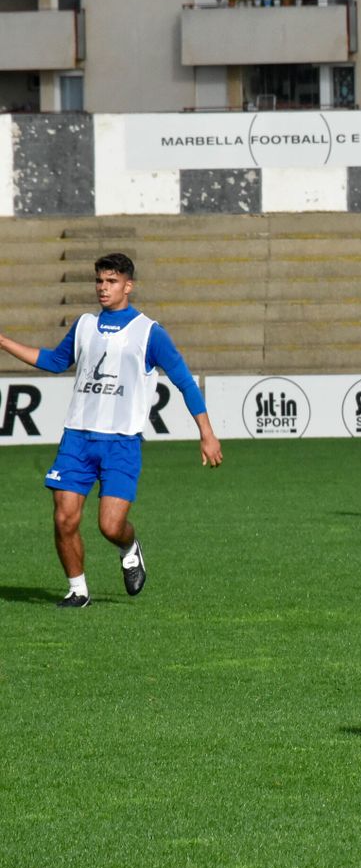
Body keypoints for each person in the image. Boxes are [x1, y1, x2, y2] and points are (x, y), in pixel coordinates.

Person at [0, 253, 223, 607]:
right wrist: (3, 341)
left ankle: (128, 546)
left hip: (121, 443)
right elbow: (55, 361)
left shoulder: (149, 332)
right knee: (64, 517)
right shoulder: (85, 325)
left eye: (112, 281)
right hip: (77, 437)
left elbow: (184, 380)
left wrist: (206, 433)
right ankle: (78, 589)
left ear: (128, 286)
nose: (103, 288)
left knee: (110, 525)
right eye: (100, 281)